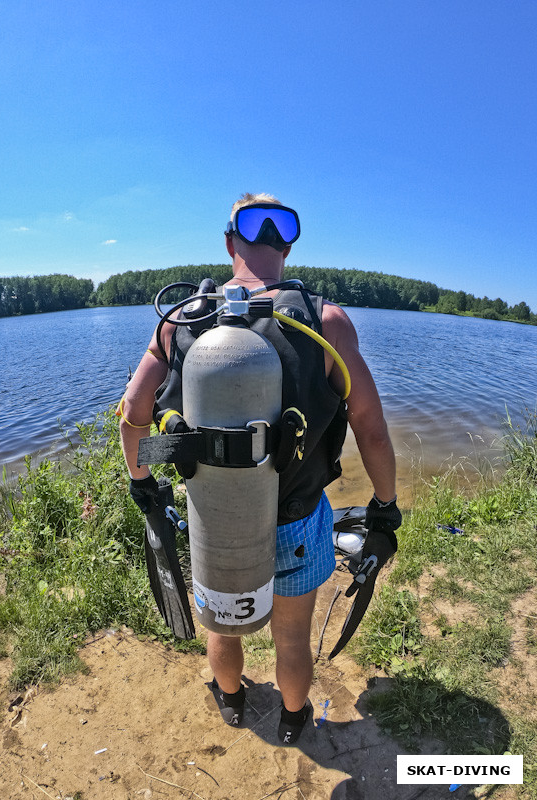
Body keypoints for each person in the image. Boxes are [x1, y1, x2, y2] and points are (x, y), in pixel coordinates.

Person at [119, 192, 401, 744]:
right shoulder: (328, 323)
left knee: (223, 625)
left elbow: (133, 414)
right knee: (292, 637)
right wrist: (384, 510)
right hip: (296, 520)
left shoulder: (179, 323)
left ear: (229, 243)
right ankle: (295, 721)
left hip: (213, 519)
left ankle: (232, 701)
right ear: (288, 248)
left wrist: (145, 486)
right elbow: (370, 429)